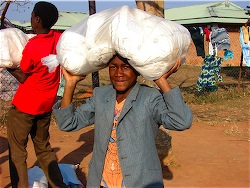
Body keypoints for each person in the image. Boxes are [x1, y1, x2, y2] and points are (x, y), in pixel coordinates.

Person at [53, 54, 193, 188]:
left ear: (137, 71)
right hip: (102, 181)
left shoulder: (150, 97)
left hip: (140, 181)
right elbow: (67, 123)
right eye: (113, 67)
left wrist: (161, 80)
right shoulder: (101, 95)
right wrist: (70, 84)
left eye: (125, 67)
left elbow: (181, 121)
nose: (118, 73)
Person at [6, 1, 66, 187]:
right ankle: (58, 184)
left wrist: (7, 65)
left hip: (25, 106)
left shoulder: (33, 47)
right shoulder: (58, 38)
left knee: (18, 152)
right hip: (46, 104)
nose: (31, 19)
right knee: (43, 148)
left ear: (37, 20)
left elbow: (23, 75)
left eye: (32, 15)